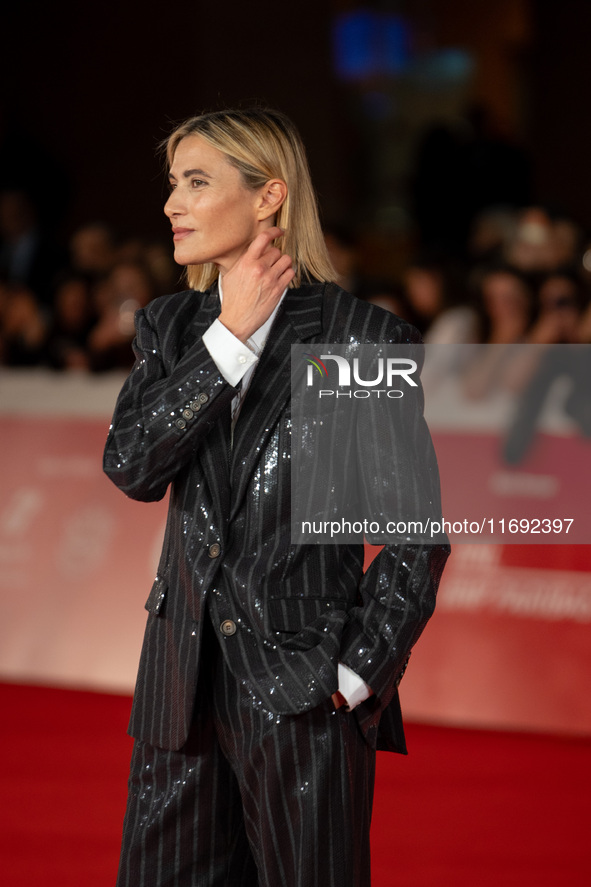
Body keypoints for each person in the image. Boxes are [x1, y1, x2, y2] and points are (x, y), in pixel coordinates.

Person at [104, 107, 449, 887]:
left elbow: (412, 535)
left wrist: (356, 673)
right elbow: (131, 466)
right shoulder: (170, 327)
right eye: (172, 184)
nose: (171, 204)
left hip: (302, 699)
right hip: (176, 695)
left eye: (196, 182)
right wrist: (226, 338)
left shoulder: (357, 338)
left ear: (269, 196)